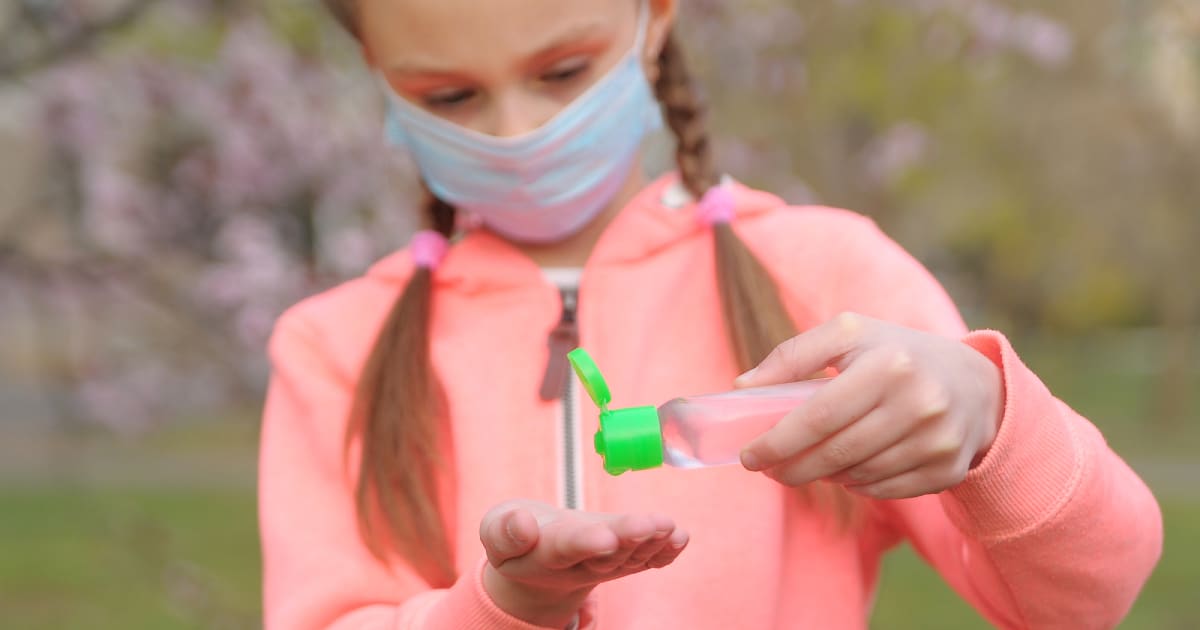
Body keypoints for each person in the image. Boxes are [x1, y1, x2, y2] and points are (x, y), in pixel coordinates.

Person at [258, 1, 1163, 628]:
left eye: (563, 71)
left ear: (653, 19)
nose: (514, 132)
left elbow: (1084, 601)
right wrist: (503, 608)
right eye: (449, 97)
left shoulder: (824, 275)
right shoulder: (333, 348)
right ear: (378, 70)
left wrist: (991, 419)